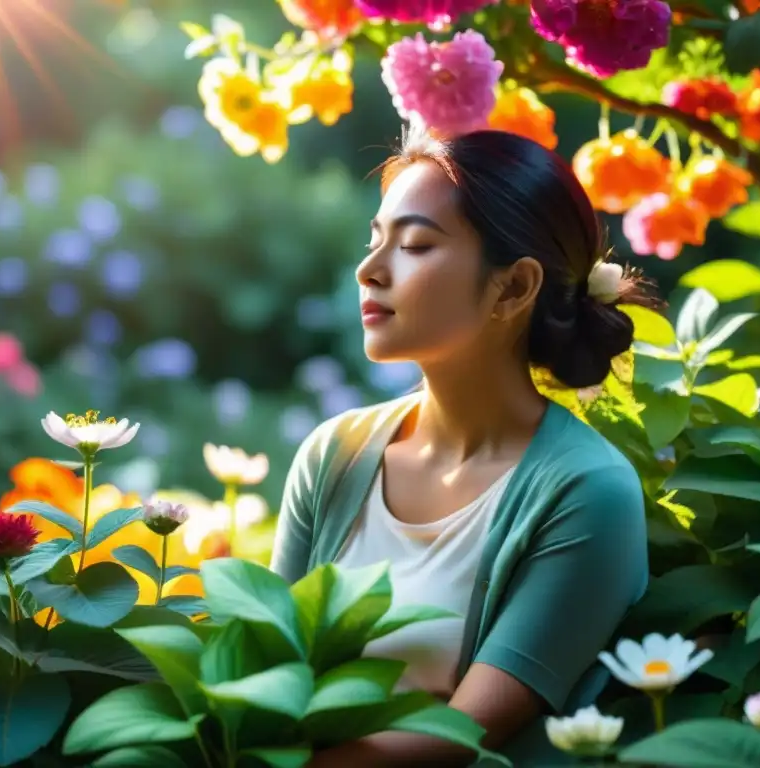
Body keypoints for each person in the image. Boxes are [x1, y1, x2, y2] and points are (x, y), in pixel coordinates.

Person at [270, 126, 651, 766]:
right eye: (375, 240)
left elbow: (457, 739)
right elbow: (263, 669)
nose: (370, 269)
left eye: (416, 244)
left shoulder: (587, 491)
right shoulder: (334, 454)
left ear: (514, 289)